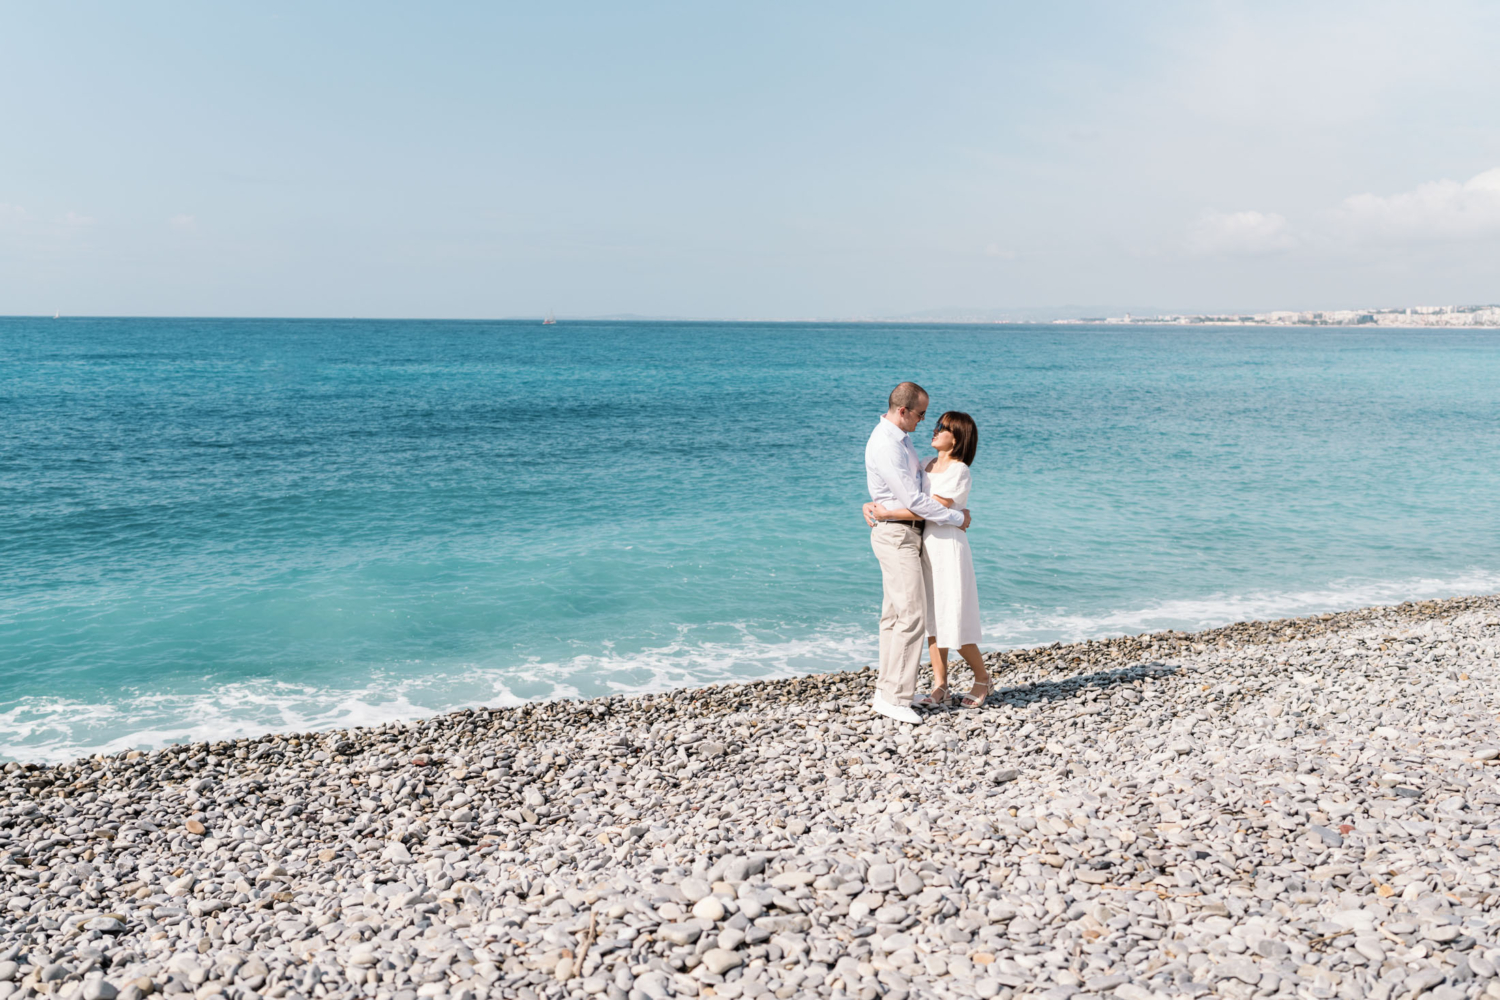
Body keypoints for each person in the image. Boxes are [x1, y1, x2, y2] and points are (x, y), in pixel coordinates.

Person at [864, 412, 991, 708]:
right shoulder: (925, 464)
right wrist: (872, 503)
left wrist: (888, 514)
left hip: (947, 547)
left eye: (942, 428)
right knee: (932, 619)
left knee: (953, 618)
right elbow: (905, 497)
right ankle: (941, 685)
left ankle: (982, 677)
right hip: (923, 546)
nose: (934, 430)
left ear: (957, 438)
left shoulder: (959, 471)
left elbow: (929, 509)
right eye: (935, 424)